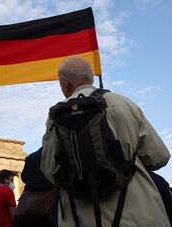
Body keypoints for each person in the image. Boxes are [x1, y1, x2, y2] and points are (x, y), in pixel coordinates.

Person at [41, 57, 171, 226]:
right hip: (138, 213)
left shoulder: (57, 114)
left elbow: (51, 170)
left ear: (64, 84)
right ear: (91, 78)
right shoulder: (124, 104)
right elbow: (158, 157)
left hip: (80, 217)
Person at [16, 147, 55, 227]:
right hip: (47, 201)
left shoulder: (31, 157)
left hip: (29, 202)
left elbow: (23, 177)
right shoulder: (52, 156)